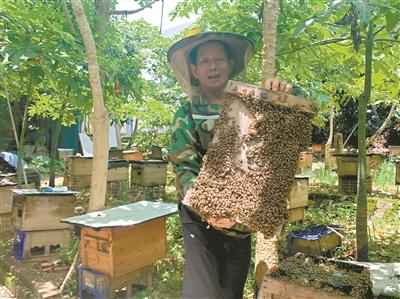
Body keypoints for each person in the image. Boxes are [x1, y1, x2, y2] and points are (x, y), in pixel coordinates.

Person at [167, 32, 293, 299]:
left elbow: (290, 119)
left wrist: (281, 93)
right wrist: (208, 208)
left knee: (230, 291)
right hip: (200, 221)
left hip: (241, 220)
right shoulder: (187, 112)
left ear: (230, 64)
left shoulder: (252, 104)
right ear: (194, 69)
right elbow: (184, 168)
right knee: (201, 292)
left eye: (219, 60)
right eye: (205, 61)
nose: (213, 66)